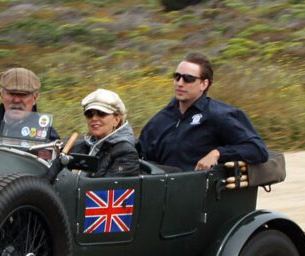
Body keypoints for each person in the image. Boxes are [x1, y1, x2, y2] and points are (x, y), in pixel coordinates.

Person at [137, 52, 268, 172]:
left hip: (202, 192)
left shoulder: (220, 115)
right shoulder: (160, 119)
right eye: (177, 77)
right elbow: (140, 155)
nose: (180, 83)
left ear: (204, 84)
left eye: (188, 78)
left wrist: (218, 153)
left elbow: (257, 149)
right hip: (162, 191)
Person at [77, 88, 141, 177]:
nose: (94, 118)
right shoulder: (81, 146)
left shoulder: (125, 153)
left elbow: (108, 188)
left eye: (101, 113)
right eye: (89, 114)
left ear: (116, 120)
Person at [0, 67, 60, 141]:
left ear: (35, 98)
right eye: (12, 94)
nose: (16, 100)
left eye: (23, 95)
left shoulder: (47, 135)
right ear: (1, 95)